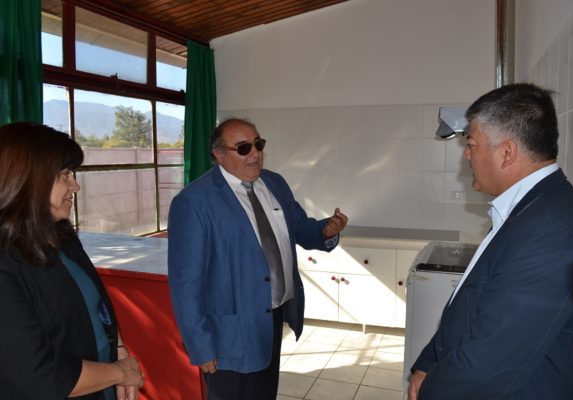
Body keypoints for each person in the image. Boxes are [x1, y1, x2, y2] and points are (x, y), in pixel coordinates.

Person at [408, 83, 573, 400]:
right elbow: (469, 306)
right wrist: (427, 363)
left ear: (507, 153)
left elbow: (488, 365)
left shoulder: (550, 232)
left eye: (471, 144)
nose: (466, 154)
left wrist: (430, 391)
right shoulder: (528, 210)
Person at [168, 117, 348, 399]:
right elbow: (186, 284)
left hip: (271, 318)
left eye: (258, 144)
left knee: (264, 393)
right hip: (229, 333)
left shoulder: (275, 183)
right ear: (219, 154)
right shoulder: (194, 202)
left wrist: (324, 230)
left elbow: (299, 227)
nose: (255, 153)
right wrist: (200, 346)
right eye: (243, 148)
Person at [0, 122, 143, 400]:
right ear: (29, 179)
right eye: (65, 175)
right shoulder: (6, 262)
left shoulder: (61, 235)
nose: (75, 186)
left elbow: (98, 305)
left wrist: (119, 351)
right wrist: (120, 372)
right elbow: (42, 375)